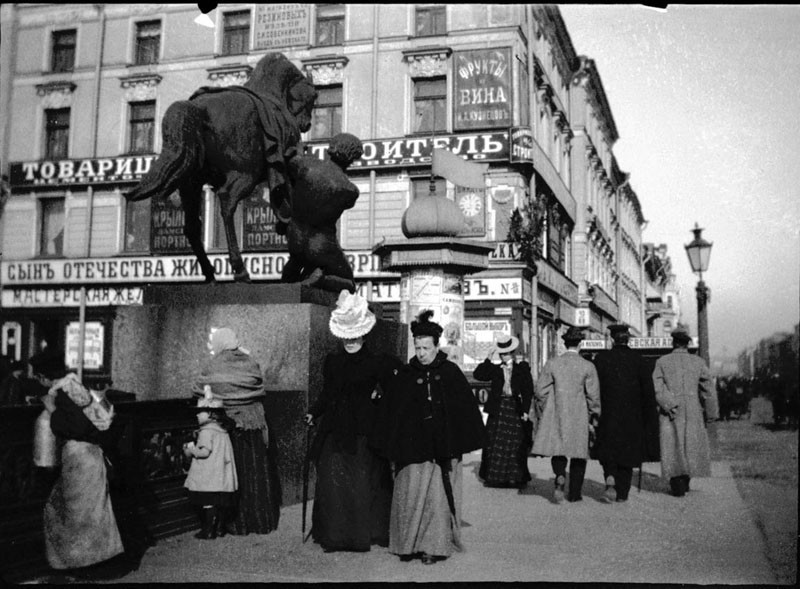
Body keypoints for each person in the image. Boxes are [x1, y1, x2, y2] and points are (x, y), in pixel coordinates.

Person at [372, 310, 486, 565]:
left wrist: (455, 442)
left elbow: (463, 411)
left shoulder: (450, 372)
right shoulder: (406, 373)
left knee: (436, 499)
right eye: (418, 347)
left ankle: (433, 547)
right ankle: (406, 545)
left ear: (437, 346)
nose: (421, 353)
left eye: (426, 347)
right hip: (410, 452)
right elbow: (393, 412)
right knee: (408, 496)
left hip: (440, 452)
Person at [303, 290, 400, 552]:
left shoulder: (377, 362)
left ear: (364, 334)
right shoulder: (333, 361)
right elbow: (328, 393)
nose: (350, 341)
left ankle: (363, 533)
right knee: (333, 481)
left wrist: (379, 399)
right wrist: (315, 411)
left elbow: (395, 388)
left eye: (354, 336)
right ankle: (335, 535)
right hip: (335, 429)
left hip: (363, 431)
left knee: (361, 482)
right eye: (346, 336)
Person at [32, 348, 129, 578]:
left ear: (45, 377)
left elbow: (77, 426)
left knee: (70, 514)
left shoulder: (62, 393)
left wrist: (52, 410)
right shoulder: (77, 386)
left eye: (38, 376)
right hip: (92, 456)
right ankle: (94, 564)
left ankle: (79, 566)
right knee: (91, 513)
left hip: (79, 458)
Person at [192, 327, 281, 534]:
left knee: (232, 475)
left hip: (228, 427)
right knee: (254, 473)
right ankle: (259, 521)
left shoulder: (215, 364)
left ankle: (233, 523)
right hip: (254, 425)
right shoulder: (249, 361)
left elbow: (200, 387)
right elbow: (257, 384)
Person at [280, 132, 364, 293]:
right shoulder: (350, 190)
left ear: (331, 148)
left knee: (292, 271)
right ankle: (322, 280)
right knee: (349, 284)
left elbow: (288, 165)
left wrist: (296, 152)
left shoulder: (305, 165)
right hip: (322, 244)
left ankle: (285, 292)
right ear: (352, 158)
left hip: (295, 237)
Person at [531, 327, 601, 503]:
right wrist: (595, 415)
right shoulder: (588, 366)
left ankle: (560, 476)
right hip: (579, 415)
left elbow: (540, 391)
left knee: (558, 450)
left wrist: (545, 409)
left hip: (557, 413)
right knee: (579, 454)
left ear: (564, 343)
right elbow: (593, 397)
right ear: (580, 344)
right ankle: (575, 494)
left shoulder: (552, 363)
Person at [592, 324, 659, 503]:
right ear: (627, 338)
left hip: (608, 414)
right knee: (628, 454)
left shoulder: (601, 358)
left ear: (613, 338)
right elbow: (648, 394)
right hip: (632, 417)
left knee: (608, 450)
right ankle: (622, 493)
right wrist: (650, 419)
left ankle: (610, 478)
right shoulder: (639, 360)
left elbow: (595, 388)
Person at [652, 326, 718, 497]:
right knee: (690, 444)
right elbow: (709, 389)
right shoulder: (698, 362)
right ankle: (686, 479)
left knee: (672, 445)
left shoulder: (662, 362)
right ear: (687, 345)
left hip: (671, 410)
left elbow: (657, 388)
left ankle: (676, 483)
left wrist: (669, 404)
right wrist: (711, 414)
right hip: (693, 408)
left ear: (673, 343)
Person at [473, 333, 533, 488]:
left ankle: (515, 478)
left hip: (514, 407)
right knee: (495, 443)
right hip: (498, 408)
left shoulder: (522, 368)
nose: (504, 356)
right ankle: (496, 478)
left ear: (512, 353)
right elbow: (478, 374)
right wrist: (488, 358)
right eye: (502, 354)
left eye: (507, 353)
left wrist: (526, 410)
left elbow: (528, 390)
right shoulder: (495, 369)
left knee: (514, 443)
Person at [183, 388, 238, 540]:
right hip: (221, 475)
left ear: (211, 415)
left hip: (209, 476)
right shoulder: (222, 430)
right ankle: (219, 528)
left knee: (208, 503)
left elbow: (204, 452)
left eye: (200, 412)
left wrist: (191, 449)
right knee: (219, 504)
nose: (197, 415)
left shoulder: (206, 431)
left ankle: (208, 530)